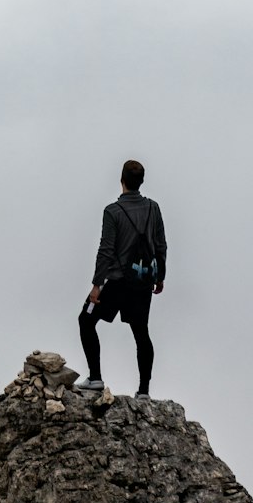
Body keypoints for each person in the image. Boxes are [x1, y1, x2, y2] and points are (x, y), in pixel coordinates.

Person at [76, 159, 167, 399]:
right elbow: (160, 245)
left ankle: (95, 378)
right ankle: (144, 392)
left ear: (122, 180)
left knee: (85, 320)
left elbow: (106, 250)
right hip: (143, 281)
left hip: (116, 282)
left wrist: (97, 285)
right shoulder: (153, 208)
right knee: (141, 332)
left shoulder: (113, 211)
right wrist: (160, 276)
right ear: (141, 181)